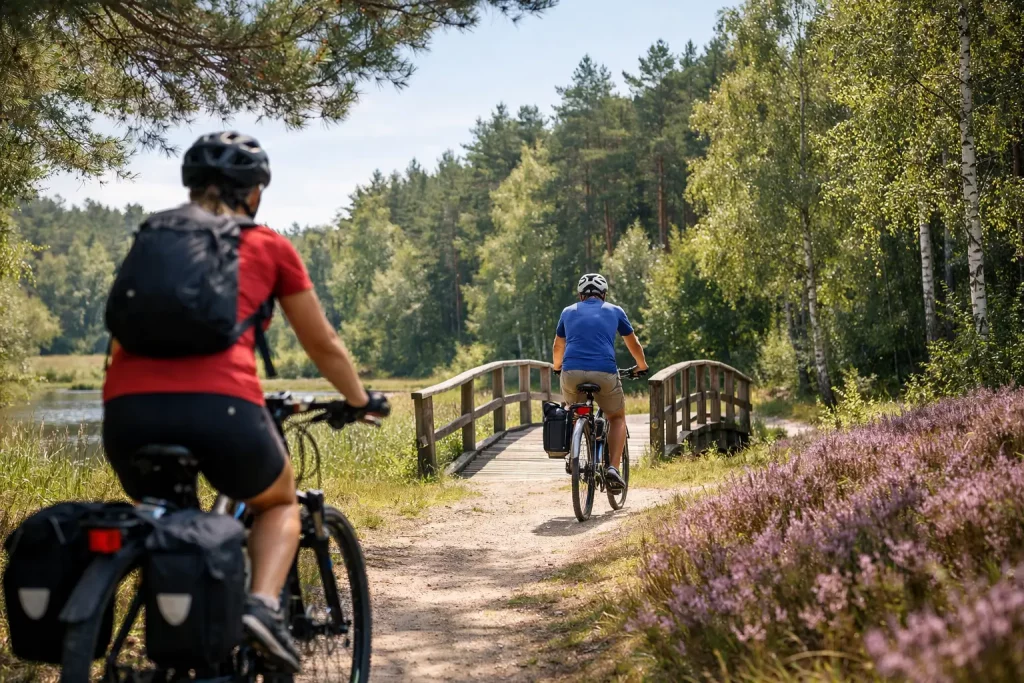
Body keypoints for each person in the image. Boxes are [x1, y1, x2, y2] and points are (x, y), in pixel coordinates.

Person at [102, 131, 382, 673]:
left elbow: (118, 335)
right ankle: (258, 610)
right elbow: (321, 342)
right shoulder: (267, 245)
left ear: (191, 187)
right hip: (222, 407)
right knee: (277, 502)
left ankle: (168, 639)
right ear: (253, 194)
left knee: (161, 522)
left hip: (128, 412)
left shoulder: (152, 237)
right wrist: (359, 397)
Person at [552, 273, 648, 490]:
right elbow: (633, 344)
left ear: (580, 295)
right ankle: (613, 468)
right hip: (604, 372)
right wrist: (641, 366)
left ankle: (576, 448)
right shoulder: (615, 310)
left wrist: (558, 367)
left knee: (573, 410)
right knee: (616, 417)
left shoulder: (568, 312)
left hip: (572, 373)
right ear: (603, 294)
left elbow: (558, 346)